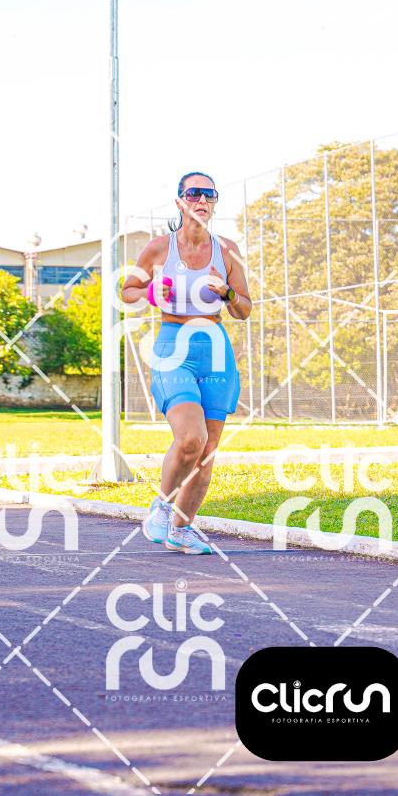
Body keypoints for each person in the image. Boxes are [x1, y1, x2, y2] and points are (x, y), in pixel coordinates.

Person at [122, 171, 252, 554]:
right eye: (194, 193)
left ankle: (181, 529)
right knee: (191, 438)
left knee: (207, 452)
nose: (202, 200)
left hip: (215, 350)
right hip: (173, 346)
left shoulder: (227, 250)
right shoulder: (158, 249)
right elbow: (126, 291)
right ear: (180, 201)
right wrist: (150, 291)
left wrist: (227, 292)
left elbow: (245, 308)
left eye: (210, 194)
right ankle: (161, 507)